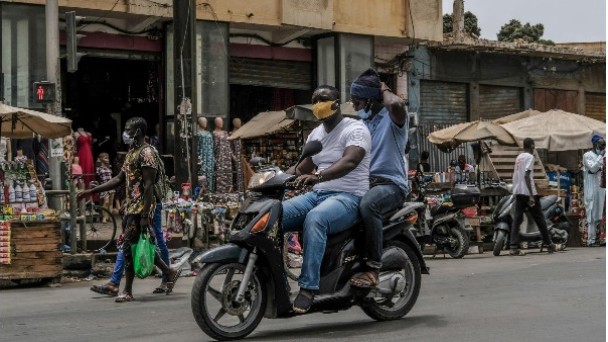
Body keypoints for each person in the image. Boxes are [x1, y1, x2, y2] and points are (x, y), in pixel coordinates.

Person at [283, 85, 371, 313]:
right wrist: (274, 177)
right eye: (314, 100)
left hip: (349, 197)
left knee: (316, 219)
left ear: (336, 102)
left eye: (323, 99)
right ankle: (273, 278)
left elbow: (350, 161)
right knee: (275, 214)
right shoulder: (316, 134)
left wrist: (318, 176)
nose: (318, 104)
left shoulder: (355, 129)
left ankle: (308, 288)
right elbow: (302, 167)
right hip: (318, 194)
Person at [78, 117, 179, 302]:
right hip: (131, 207)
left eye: (128, 129)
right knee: (138, 245)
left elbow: (148, 186)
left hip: (142, 208)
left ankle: (127, 291)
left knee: (127, 247)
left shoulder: (147, 153)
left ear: (138, 131)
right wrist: (91, 191)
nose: (125, 132)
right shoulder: (132, 152)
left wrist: (145, 215)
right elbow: (119, 179)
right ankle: (169, 271)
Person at [347, 68, 409, 288]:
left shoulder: (394, 120)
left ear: (372, 100)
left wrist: (382, 87)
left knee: (368, 205)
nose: (354, 106)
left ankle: (372, 267)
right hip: (366, 184)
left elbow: (396, 104)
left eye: (358, 101)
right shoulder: (363, 125)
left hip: (391, 185)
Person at [89, 202, 171, 296]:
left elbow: (147, 189)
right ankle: (116, 283)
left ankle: (167, 275)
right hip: (136, 207)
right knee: (128, 242)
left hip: (147, 206)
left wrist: (144, 215)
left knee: (154, 240)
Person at [509, 138, 554, 256]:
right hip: (528, 193)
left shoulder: (519, 158)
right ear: (532, 146)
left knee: (517, 219)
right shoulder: (530, 157)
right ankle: (549, 244)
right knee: (539, 218)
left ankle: (513, 246)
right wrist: (531, 196)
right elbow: (527, 176)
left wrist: (515, 189)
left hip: (519, 192)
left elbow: (516, 175)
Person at [582, 135, 605, 247]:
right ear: (595, 144)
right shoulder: (587, 155)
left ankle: (600, 238)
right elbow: (593, 168)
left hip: (600, 188)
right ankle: (591, 240)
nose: (603, 147)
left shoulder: (603, 155)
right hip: (591, 188)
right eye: (601, 144)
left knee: (599, 214)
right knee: (591, 214)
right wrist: (600, 156)